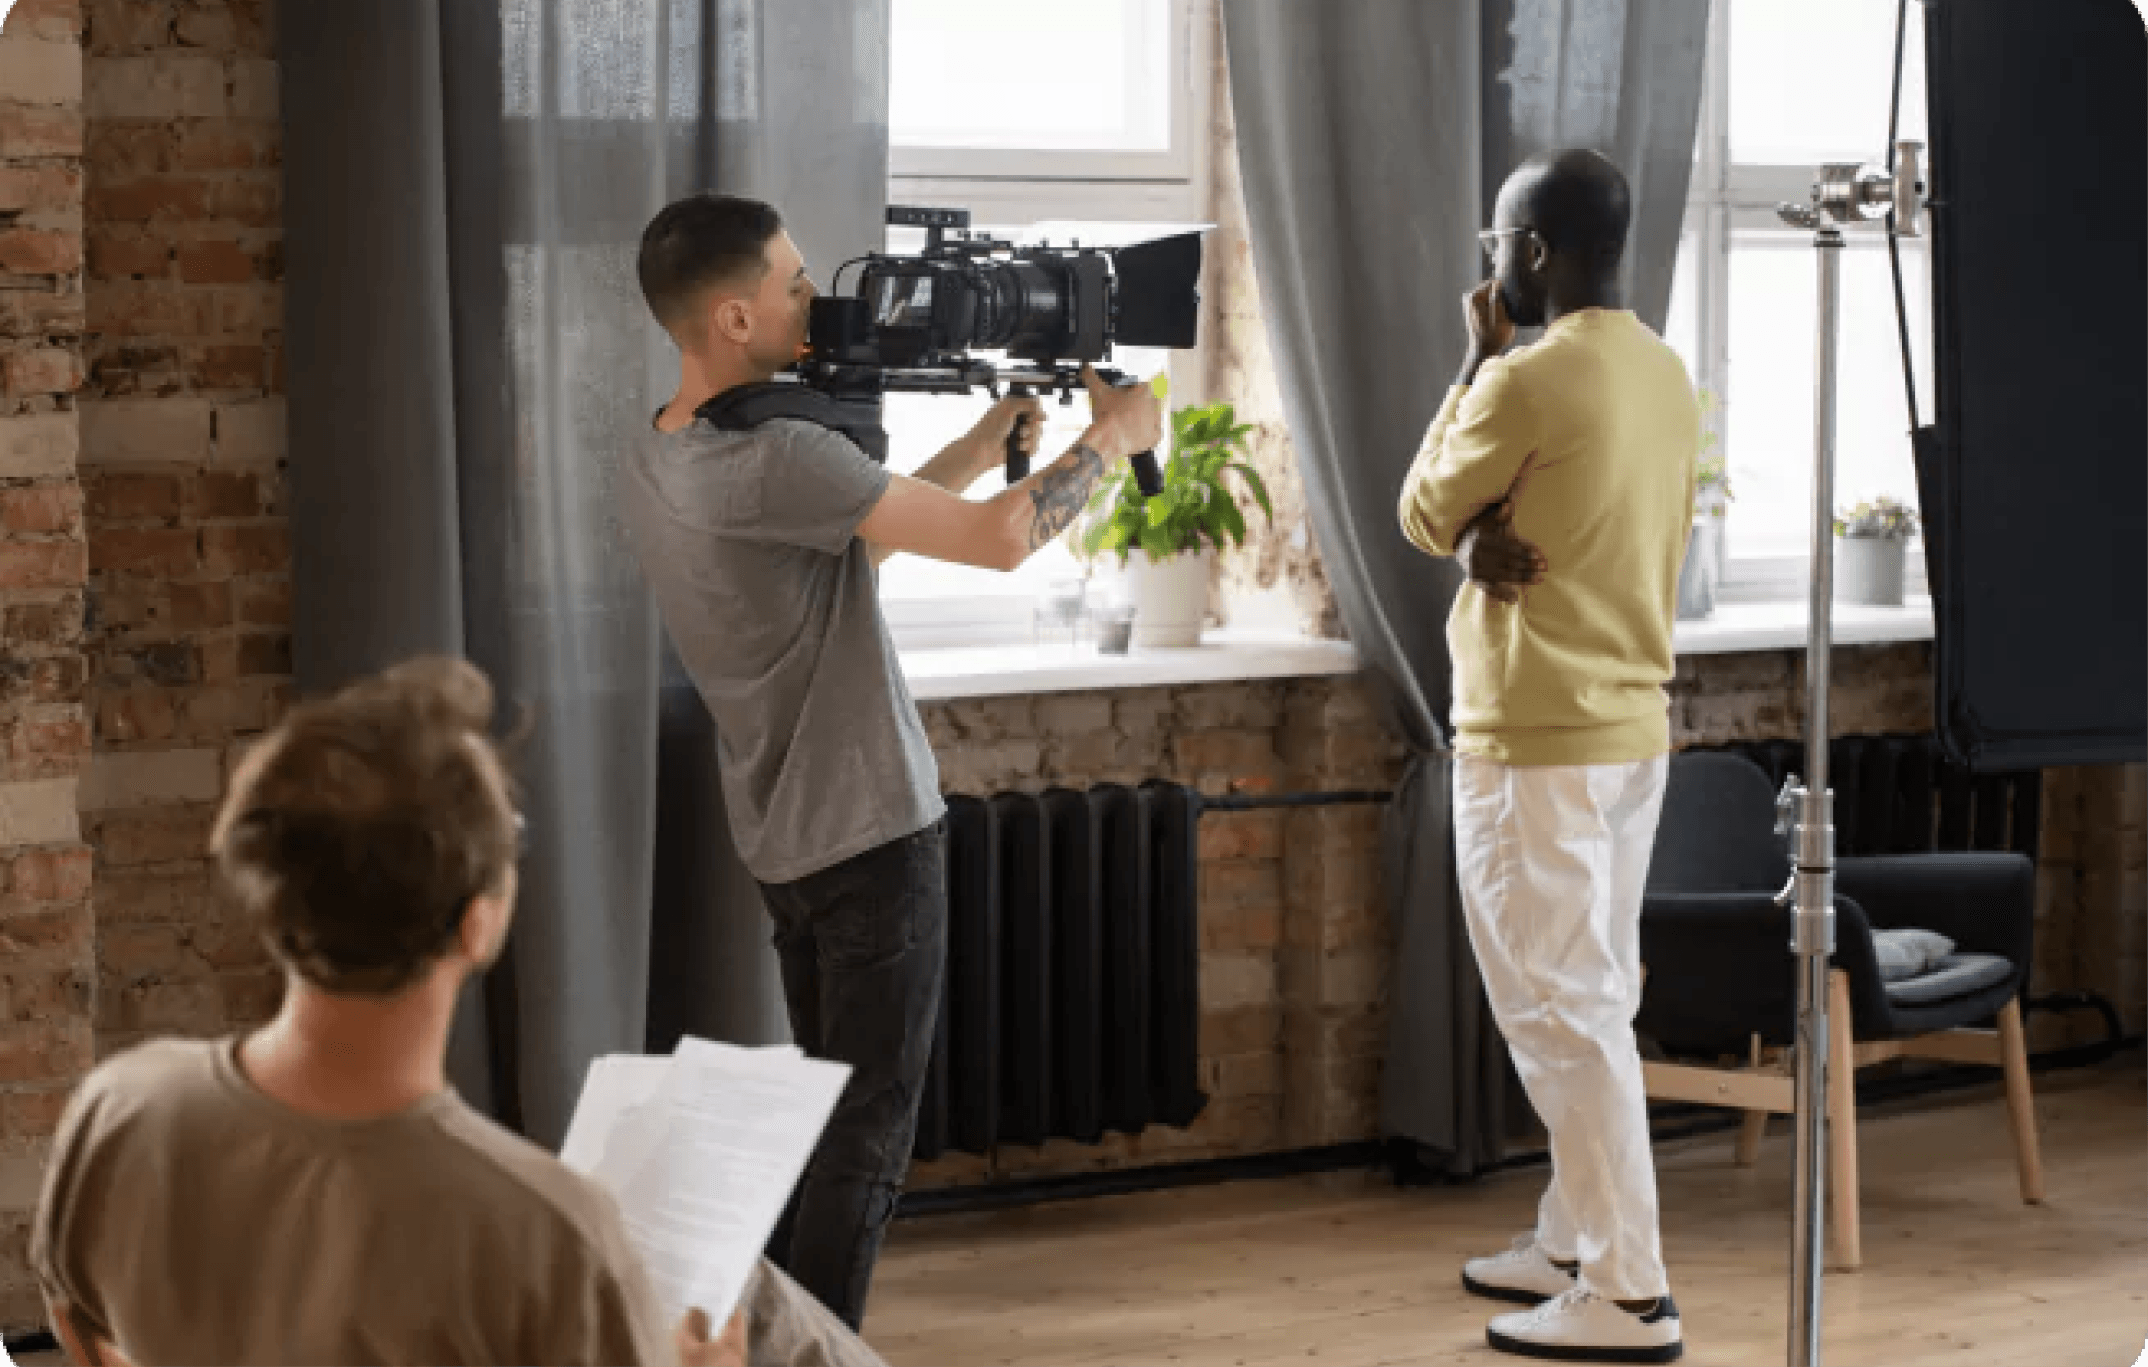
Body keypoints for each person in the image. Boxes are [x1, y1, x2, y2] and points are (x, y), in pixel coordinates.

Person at [621, 193, 1162, 1329]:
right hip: (871, 837)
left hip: (785, 838)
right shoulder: (781, 457)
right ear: (732, 316)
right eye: (790, 286)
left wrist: (979, 446)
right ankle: (816, 1357)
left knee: (821, 1125)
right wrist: (1112, 441)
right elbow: (1004, 543)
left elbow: (854, 532)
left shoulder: (671, 443)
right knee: (864, 1147)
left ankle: (765, 1345)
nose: (814, 302)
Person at [31, 656, 882, 1367]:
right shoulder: (543, 1234)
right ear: (479, 921)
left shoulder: (122, 1107)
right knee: (758, 1311)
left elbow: (75, 1318)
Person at [1396, 149, 1701, 1365]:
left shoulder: (1525, 378)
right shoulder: (1665, 372)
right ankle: (1574, 1235)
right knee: (1598, 995)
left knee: (1560, 1012)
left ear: (1530, 253)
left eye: (1497, 243)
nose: (1490, 263)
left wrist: (1476, 361)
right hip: (1630, 727)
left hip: (1534, 737)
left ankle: (1629, 1292)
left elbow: (1421, 508)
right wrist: (1486, 542)